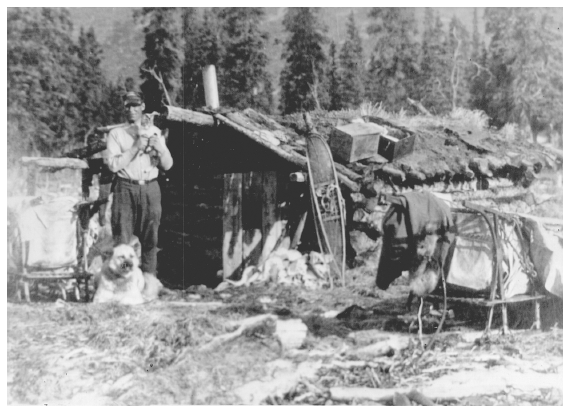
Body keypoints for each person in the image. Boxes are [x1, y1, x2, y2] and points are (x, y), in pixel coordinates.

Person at [106, 91, 173, 278]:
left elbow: (168, 164)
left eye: (136, 105)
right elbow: (112, 165)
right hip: (125, 187)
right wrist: (135, 147)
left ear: (143, 106)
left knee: (151, 238)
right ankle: (124, 280)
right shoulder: (117, 134)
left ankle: (148, 281)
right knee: (123, 239)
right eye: (128, 106)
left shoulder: (155, 132)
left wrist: (159, 148)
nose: (132, 110)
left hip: (150, 187)